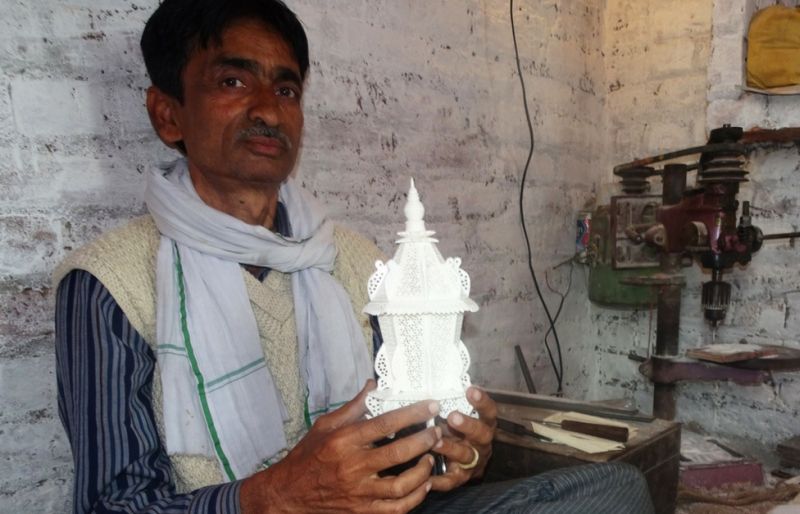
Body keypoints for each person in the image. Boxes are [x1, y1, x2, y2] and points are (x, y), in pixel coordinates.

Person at [54, 1, 655, 512]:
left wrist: (457, 451)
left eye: (285, 88)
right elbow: (115, 503)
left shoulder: (352, 259)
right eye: (233, 82)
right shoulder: (109, 283)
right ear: (167, 114)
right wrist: (274, 495)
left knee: (616, 489)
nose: (268, 108)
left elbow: (403, 433)